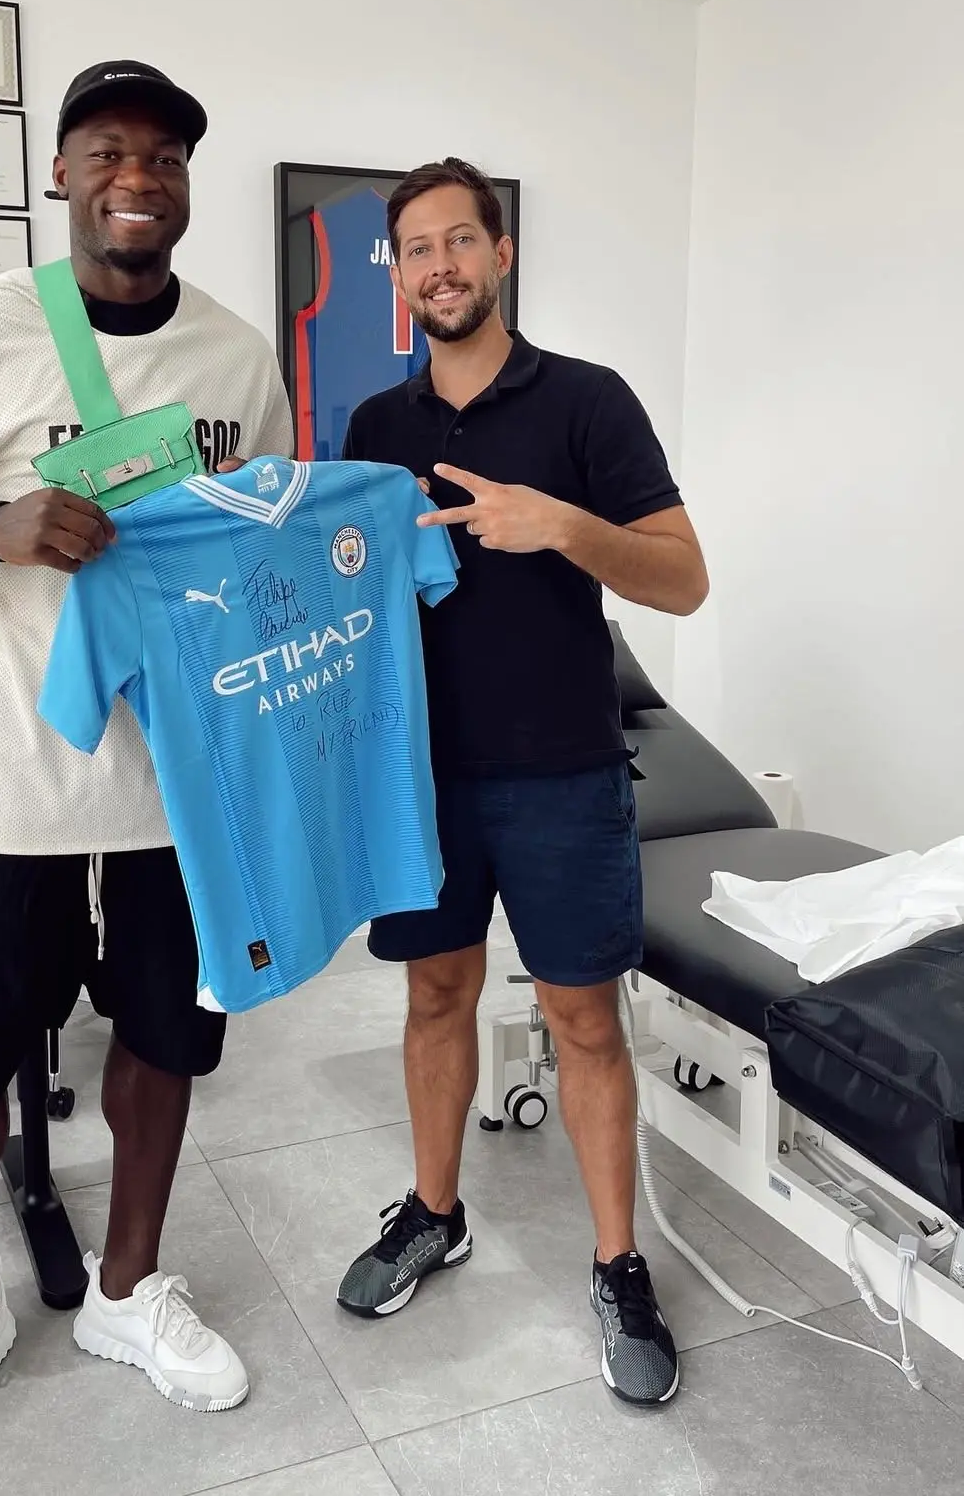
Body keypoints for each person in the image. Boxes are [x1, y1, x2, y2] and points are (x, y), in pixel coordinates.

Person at [0, 60, 294, 1470]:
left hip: (171, 777)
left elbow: (265, 539)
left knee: (166, 1033)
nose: (136, 178)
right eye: (107, 153)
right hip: (4, 775)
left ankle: (128, 1287)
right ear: (61, 175)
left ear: (186, 183)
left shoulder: (235, 356)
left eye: (163, 157)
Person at [337, 158, 708, 1408]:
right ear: (399, 276)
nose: (439, 265)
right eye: (416, 249)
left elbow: (682, 577)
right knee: (435, 997)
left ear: (500, 255)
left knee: (583, 1021)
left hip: (561, 773)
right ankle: (434, 1214)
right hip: (421, 779)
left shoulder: (589, 402)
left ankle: (618, 1263)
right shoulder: (376, 428)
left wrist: (563, 527)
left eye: (460, 241)